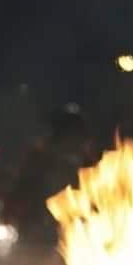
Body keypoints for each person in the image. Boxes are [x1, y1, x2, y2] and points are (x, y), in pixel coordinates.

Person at [11, 105, 98, 249]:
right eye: (69, 130)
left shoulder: (87, 159)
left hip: (73, 226)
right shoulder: (40, 155)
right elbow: (24, 185)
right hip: (40, 224)